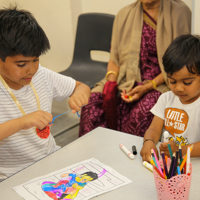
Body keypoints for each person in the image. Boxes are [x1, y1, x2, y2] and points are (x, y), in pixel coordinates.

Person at [0, 7, 91, 182]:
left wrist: (79, 94)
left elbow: (81, 86)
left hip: (51, 160)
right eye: (21, 64)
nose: (31, 69)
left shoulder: (41, 75)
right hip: (12, 176)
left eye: (36, 60)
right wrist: (21, 122)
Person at [79, 0, 191, 137]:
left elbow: (181, 63)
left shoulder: (180, 13)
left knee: (140, 116)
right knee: (91, 105)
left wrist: (148, 86)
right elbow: (115, 59)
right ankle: (93, 156)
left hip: (160, 83)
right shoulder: (124, 14)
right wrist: (111, 84)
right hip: (126, 79)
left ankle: (128, 155)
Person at [140, 34, 200, 162]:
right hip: (167, 165)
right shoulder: (166, 99)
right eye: (172, 81)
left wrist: (180, 150)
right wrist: (149, 142)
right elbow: (154, 128)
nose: (178, 88)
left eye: (187, 82)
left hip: (192, 165)